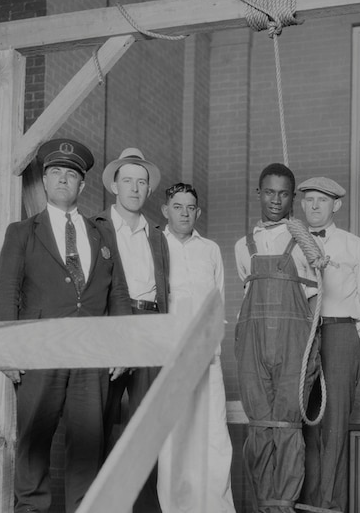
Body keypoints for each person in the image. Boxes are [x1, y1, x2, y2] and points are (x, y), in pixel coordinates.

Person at [0, 138, 132, 513]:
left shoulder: (102, 234)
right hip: (39, 353)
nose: (63, 180)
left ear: (82, 185)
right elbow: (6, 293)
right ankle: (30, 508)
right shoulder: (22, 232)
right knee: (34, 440)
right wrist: (6, 350)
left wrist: (121, 347)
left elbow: (118, 294)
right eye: (55, 173)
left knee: (89, 442)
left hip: (91, 356)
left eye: (71, 175)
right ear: (44, 181)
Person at [234, 163, 323, 513]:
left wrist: (310, 351)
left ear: (293, 197)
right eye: (269, 192)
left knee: (287, 426)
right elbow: (246, 294)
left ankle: (284, 504)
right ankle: (263, 505)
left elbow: (315, 305)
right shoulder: (244, 246)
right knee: (259, 427)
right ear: (259, 193)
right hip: (254, 345)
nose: (275, 199)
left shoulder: (304, 242)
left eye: (283, 193)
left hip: (293, 344)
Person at [298, 177, 360, 513]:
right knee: (303, 422)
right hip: (303, 336)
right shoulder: (291, 243)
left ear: (336, 205)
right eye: (309, 200)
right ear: (302, 204)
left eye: (322, 200)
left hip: (339, 333)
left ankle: (328, 507)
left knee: (333, 426)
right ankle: (303, 503)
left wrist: (344, 335)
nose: (315, 206)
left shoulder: (353, 245)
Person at [92, 147, 169, 513]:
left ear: (149, 190)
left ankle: (143, 507)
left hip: (151, 327)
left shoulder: (158, 235)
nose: (135, 189)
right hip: (113, 329)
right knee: (100, 421)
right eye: (128, 181)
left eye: (142, 183)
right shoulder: (97, 229)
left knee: (147, 422)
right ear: (114, 186)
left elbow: (165, 289)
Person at [157, 182, 235, 513]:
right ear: (166, 210)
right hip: (171, 357)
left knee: (215, 436)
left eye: (190, 208)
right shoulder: (155, 245)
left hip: (207, 357)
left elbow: (218, 303)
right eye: (178, 206)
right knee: (173, 438)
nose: (185, 213)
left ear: (198, 212)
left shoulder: (211, 249)